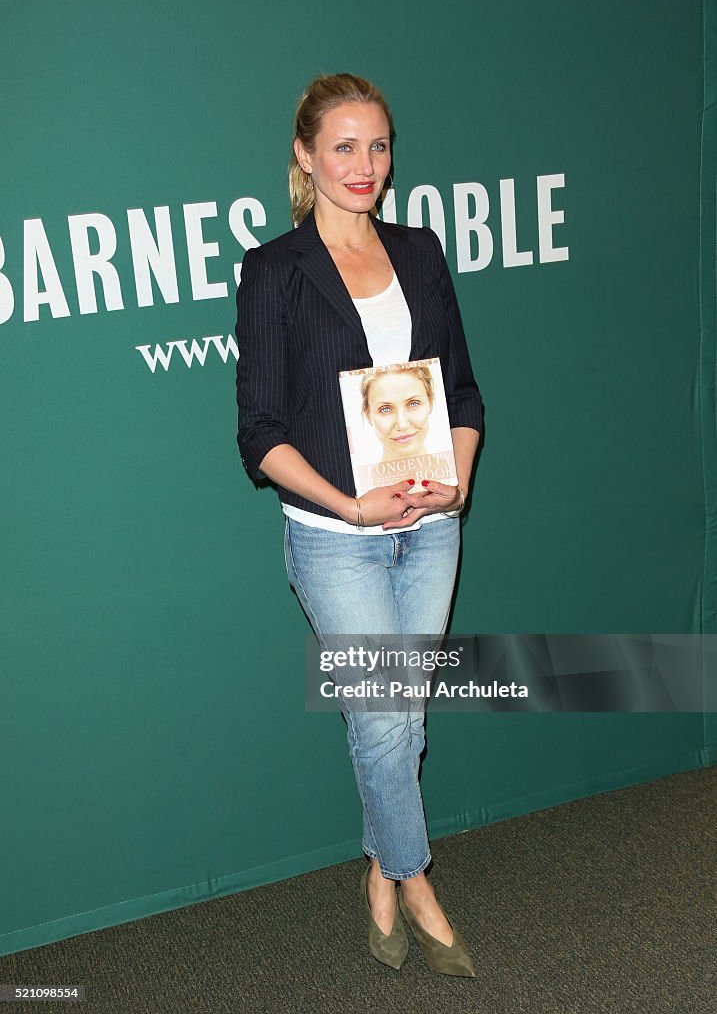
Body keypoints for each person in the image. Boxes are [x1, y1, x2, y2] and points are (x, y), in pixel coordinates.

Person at [235, 73, 482, 976]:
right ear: (304, 155)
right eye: (342, 146)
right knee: (383, 718)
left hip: (430, 529)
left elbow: (460, 390)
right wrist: (348, 503)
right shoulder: (275, 270)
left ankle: (378, 866)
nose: (363, 165)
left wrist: (452, 479)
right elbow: (258, 433)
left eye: (376, 146)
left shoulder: (419, 252)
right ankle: (414, 880)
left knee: (400, 712)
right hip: (335, 535)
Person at [361, 365, 435, 463]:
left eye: (413, 403)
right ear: (368, 415)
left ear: (430, 403)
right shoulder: (352, 478)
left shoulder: (458, 473)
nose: (402, 425)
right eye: (385, 409)